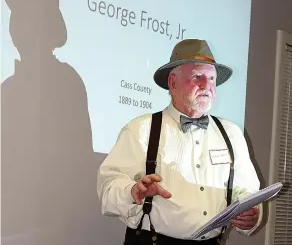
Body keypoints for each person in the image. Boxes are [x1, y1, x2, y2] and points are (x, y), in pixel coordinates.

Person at [97, 39, 262, 245]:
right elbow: (108, 189)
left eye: (211, 78)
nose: (206, 85)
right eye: (196, 76)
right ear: (173, 82)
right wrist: (132, 191)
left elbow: (247, 190)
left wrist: (251, 214)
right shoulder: (141, 129)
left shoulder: (231, 133)